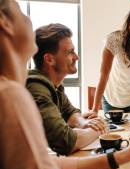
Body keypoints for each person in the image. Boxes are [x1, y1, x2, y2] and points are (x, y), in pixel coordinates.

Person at [0, 0, 130, 169]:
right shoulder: (14, 95)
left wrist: (124, 155)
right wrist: (99, 126)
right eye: (18, 9)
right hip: (112, 100)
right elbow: (66, 142)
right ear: (4, 23)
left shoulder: (43, 86)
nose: (77, 57)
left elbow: (46, 164)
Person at [26, 23, 108, 155]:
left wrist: (83, 123)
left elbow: (69, 112)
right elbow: (65, 142)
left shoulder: (54, 85)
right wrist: (98, 130)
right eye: (70, 52)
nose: (77, 57)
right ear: (49, 59)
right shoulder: (37, 88)